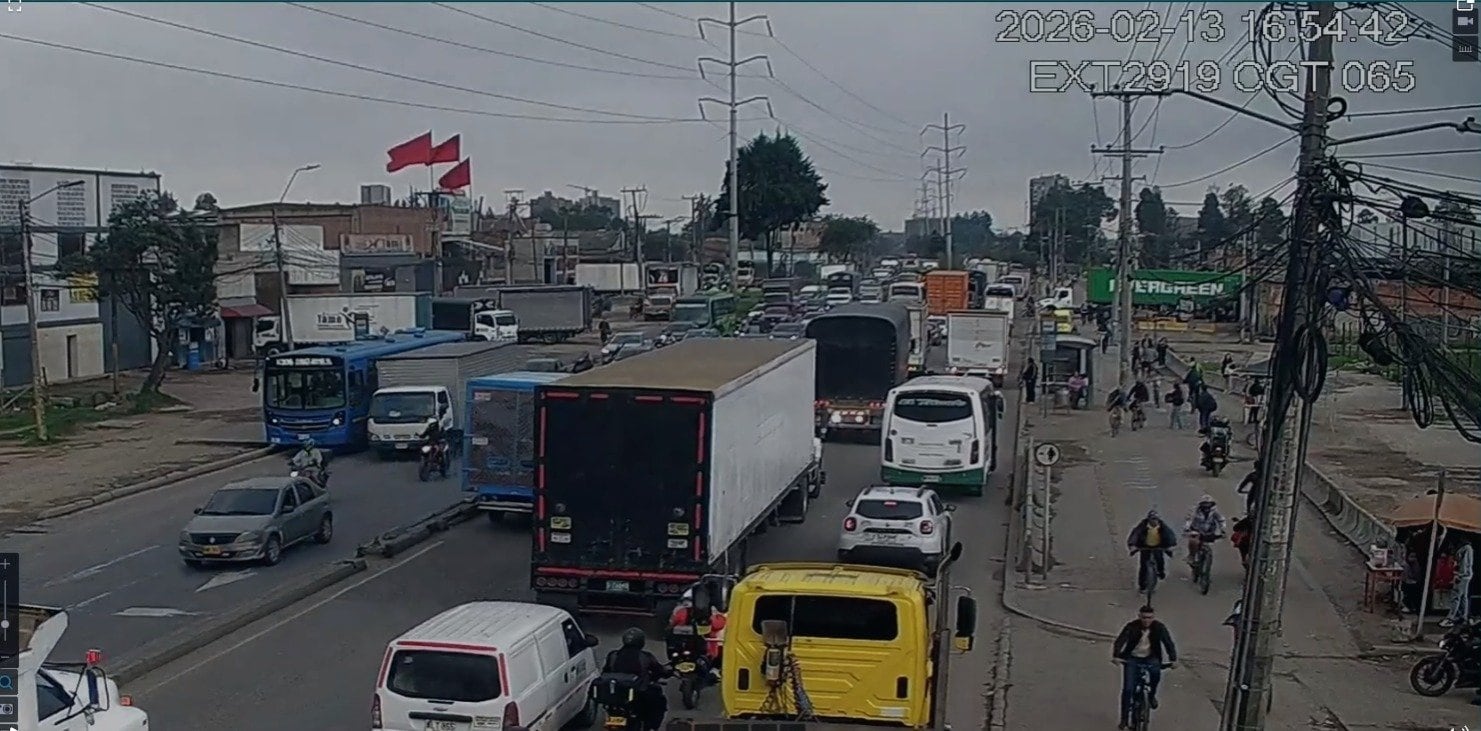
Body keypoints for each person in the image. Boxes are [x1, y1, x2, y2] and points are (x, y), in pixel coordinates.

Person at [1111, 605, 1178, 730]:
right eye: (1144, 618)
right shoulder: (1132, 626)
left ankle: (1151, 696)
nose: (1147, 620)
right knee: (1128, 689)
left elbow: (1168, 643)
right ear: (1139, 617)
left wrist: (1173, 659)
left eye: (1150, 618)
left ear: (1153, 618)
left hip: (1151, 657)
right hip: (1132, 658)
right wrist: (1116, 656)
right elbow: (1120, 641)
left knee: (1155, 675)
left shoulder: (1159, 628)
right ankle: (1124, 718)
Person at [603, 628, 670, 731]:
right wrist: (667, 673)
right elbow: (659, 670)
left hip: (616, 694)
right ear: (641, 642)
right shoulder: (645, 656)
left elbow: (605, 672)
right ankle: (650, 728)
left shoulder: (613, 655)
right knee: (658, 702)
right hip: (638, 694)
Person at [668, 588, 727, 680]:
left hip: (705, 646)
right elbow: (672, 625)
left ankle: (713, 671)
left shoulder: (710, 614)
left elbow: (719, 624)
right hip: (684, 645)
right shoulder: (681, 612)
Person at [1127, 511, 1177, 584]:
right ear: (1149, 520)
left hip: (1158, 547)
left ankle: (1161, 573)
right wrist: (1132, 545)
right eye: (1152, 519)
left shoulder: (1162, 527)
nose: (1154, 521)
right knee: (1143, 566)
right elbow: (1135, 534)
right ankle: (1142, 586)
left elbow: (1170, 535)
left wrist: (1171, 545)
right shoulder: (1142, 526)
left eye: (1156, 519)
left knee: (1160, 560)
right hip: (1145, 547)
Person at [1183, 494, 1227, 565]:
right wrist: (1187, 528)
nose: (1206, 506)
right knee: (1193, 541)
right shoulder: (1195, 511)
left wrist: (1223, 530)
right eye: (1204, 504)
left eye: (1208, 504)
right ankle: (1191, 556)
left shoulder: (1214, 512)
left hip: (1209, 531)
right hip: (1196, 530)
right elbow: (1189, 520)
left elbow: (1221, 520)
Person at [1443, 539, 1474, 628]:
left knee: (1456, 596)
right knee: (1463, 596)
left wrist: (1459, 575)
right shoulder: (1465, 548)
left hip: (1463, 576)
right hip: (1465, 575)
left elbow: (1465, 564)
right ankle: (1462, 616)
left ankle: (1451, 617)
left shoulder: (1466, 548)